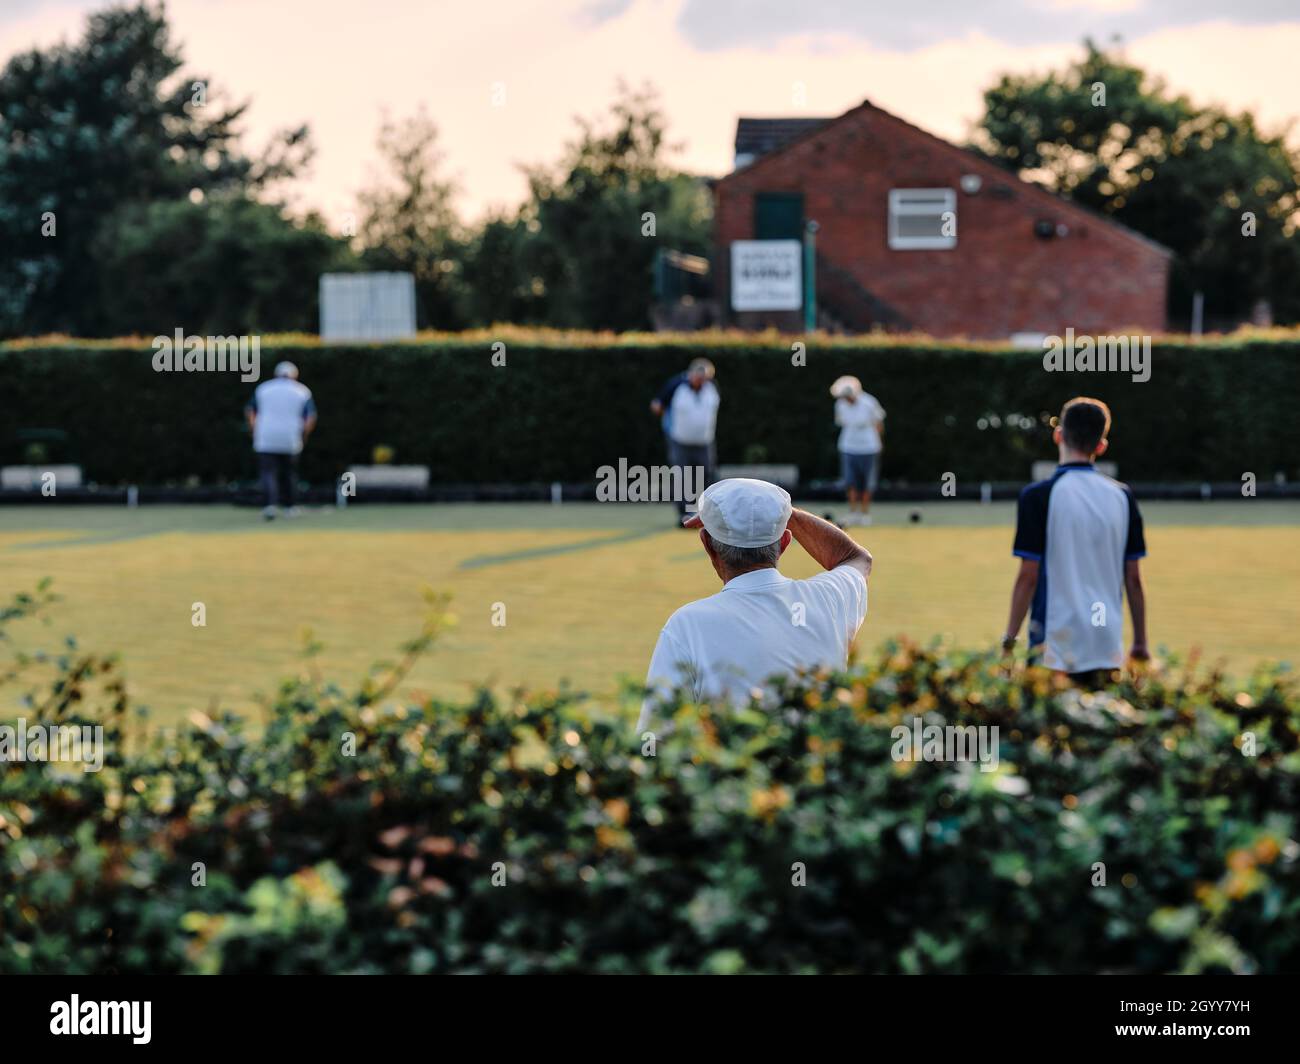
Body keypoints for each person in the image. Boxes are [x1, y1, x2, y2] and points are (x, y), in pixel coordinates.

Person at [639, 478, 871, 731]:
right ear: (784, 543)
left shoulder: (686, 624)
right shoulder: (829, 599)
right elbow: (856, 558)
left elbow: (655, 735)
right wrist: (785, 514)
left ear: (706, 544)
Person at [1003, 397, 1149, 684]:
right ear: (1101, 446)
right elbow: (1133, 579)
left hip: (1053, 646)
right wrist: (1141, 642)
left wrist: (1009, 642)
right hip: (1106, 642)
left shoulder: (1037, 497)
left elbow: (1027, 578)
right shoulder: (1122, 496)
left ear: (1058, 436)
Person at [245, 361, 316, 521]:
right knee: (289, 474)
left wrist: (254, 430)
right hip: (290, 437)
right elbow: (310, 418)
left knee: (268, 473)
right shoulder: (302, 391)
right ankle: (290, 508)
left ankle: (269, 507)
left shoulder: (263, 388)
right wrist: (304, 435)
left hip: (266, 436)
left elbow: (251, 412)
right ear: (295, 375)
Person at [650, 358, 719, 520]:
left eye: (705, 379)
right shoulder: (675, 385)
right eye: (699, 378)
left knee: (706, 476)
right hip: (679, 441)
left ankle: (706, 513)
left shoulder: (712, 387)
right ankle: (684, 514)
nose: (702, 382)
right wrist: (669, 425)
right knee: (682, 477)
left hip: (705, 441)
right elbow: (656, 406)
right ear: (691, 374)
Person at [830, 375, 885, 525]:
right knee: (850, 481)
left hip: (869, 448)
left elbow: (879, 424)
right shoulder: (840, 404)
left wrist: (878, 443)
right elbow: (841, 421)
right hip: (848, 447)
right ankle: (853, 512)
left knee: (867, 482)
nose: (846, 399)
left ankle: (864, 513)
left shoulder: (869, 402)